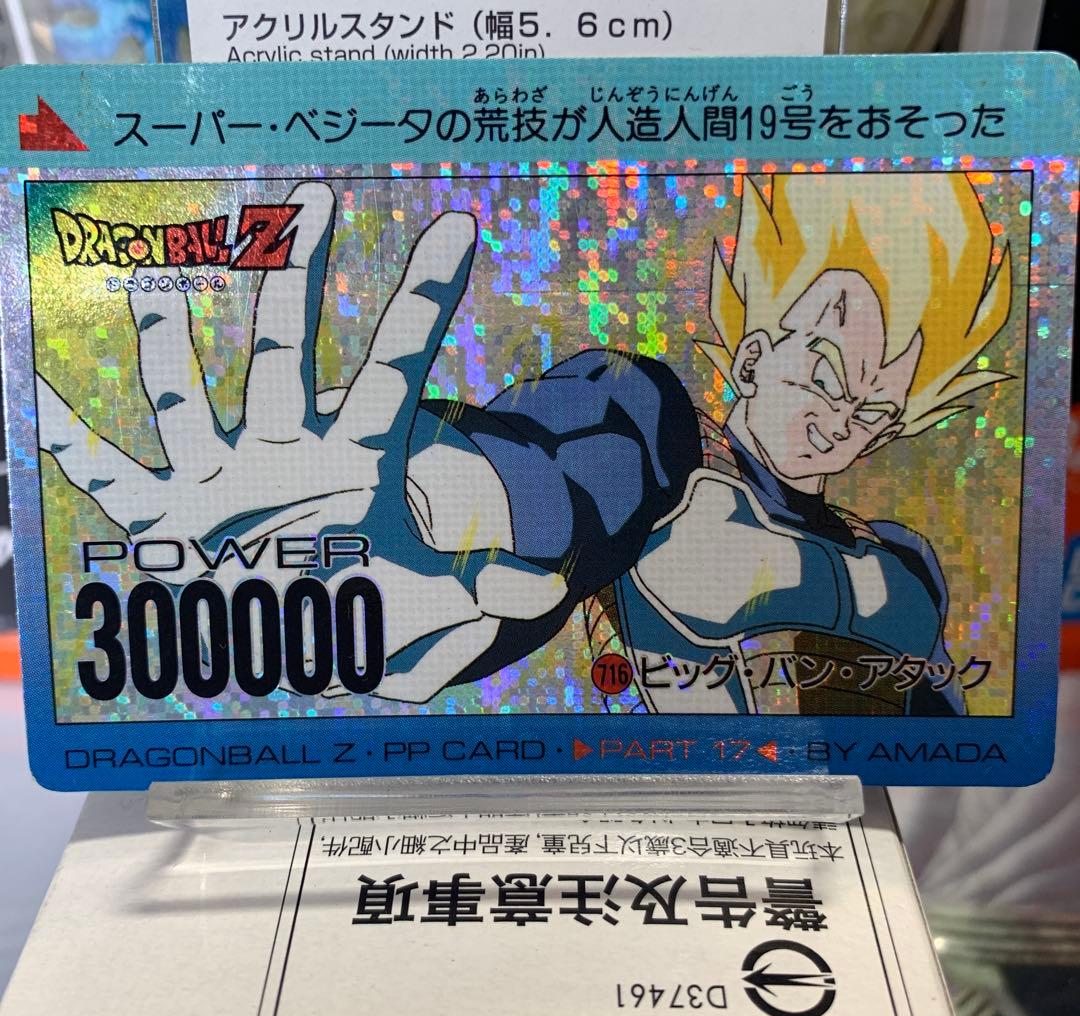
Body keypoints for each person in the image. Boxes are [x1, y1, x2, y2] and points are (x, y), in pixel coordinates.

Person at [36, 171, 1012, 713]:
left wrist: (833, 587)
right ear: (754, 352)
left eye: (880, 411)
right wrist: (452, 503)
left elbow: (917, 633)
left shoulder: (893, 560)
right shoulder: (662, 439)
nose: (845, 419)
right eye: (830, 373)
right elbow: (586, 446)